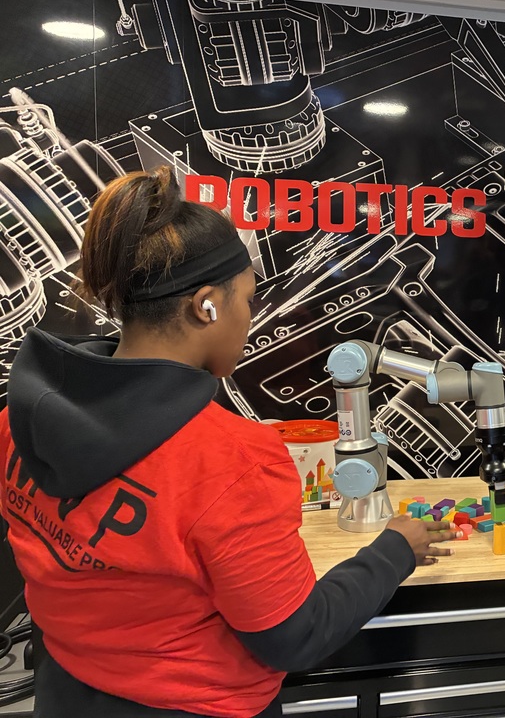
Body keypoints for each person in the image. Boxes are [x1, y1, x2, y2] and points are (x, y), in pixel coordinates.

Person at [0, 167, 456, 718]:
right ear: (206, 305)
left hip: (63, 693)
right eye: (246, 299)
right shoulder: (232, 460)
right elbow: (293, 637)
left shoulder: (17, 420)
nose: (248, 317)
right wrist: (395, 549)